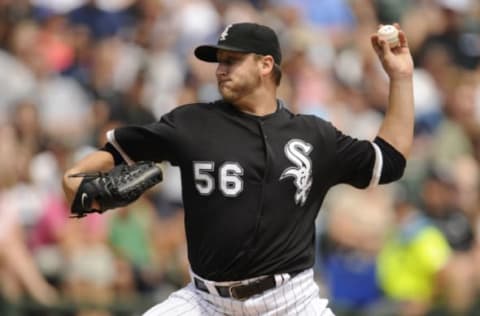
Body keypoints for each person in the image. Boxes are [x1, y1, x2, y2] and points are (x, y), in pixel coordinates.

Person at [62, 22, 414, 315]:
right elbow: (112, 152)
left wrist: (401, 79)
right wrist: (73, 180)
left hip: (290, 302)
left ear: (265, 65)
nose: (220, 69)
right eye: (219, 61)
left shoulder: (313, 135)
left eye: (232, 60)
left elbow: (390, 161)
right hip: (205, 302)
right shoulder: (192, 123)